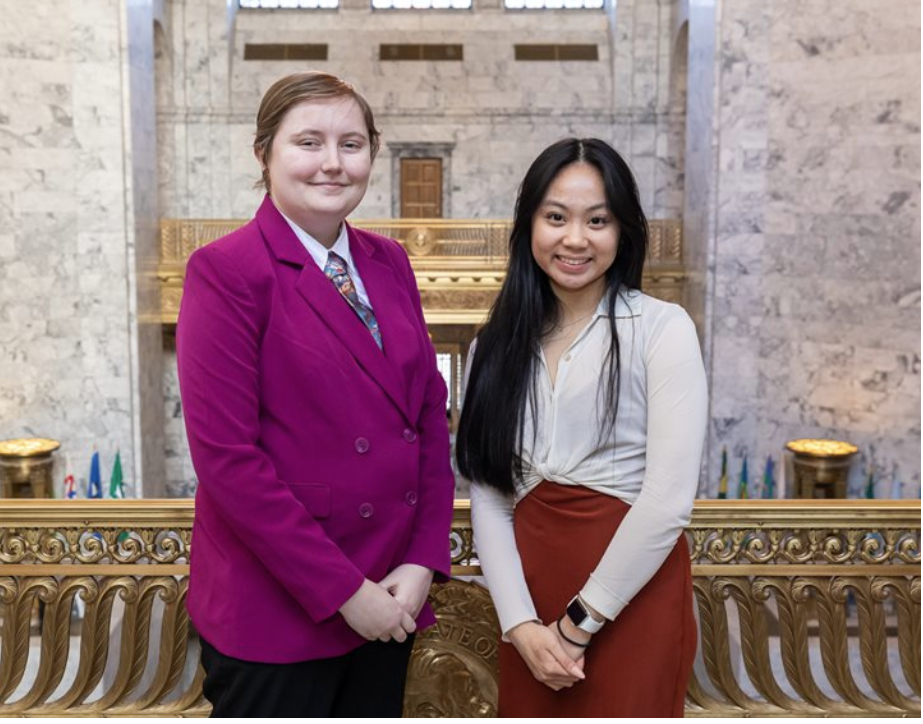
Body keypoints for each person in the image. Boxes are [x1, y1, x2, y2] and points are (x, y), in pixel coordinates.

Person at [176, 71, 455, 717]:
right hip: (280, 605)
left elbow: (426, 419)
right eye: (309, 142)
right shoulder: (226, 271)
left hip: (389, 591)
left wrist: (420, 562)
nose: (332, 163)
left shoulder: (390, 261)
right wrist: (343, 592)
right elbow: (227, 460)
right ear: (264, 153)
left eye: (351, 144)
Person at [456, 138, 707, 717]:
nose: (575, 239)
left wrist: (578, 624)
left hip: (631, 592)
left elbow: (667, 501)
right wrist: (520, 623)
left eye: (598, 220)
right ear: (529, 228)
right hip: (531, 595)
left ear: (623, 232)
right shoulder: (493, 345)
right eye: (555, 217)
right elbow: (490, 496)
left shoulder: (662, 329)